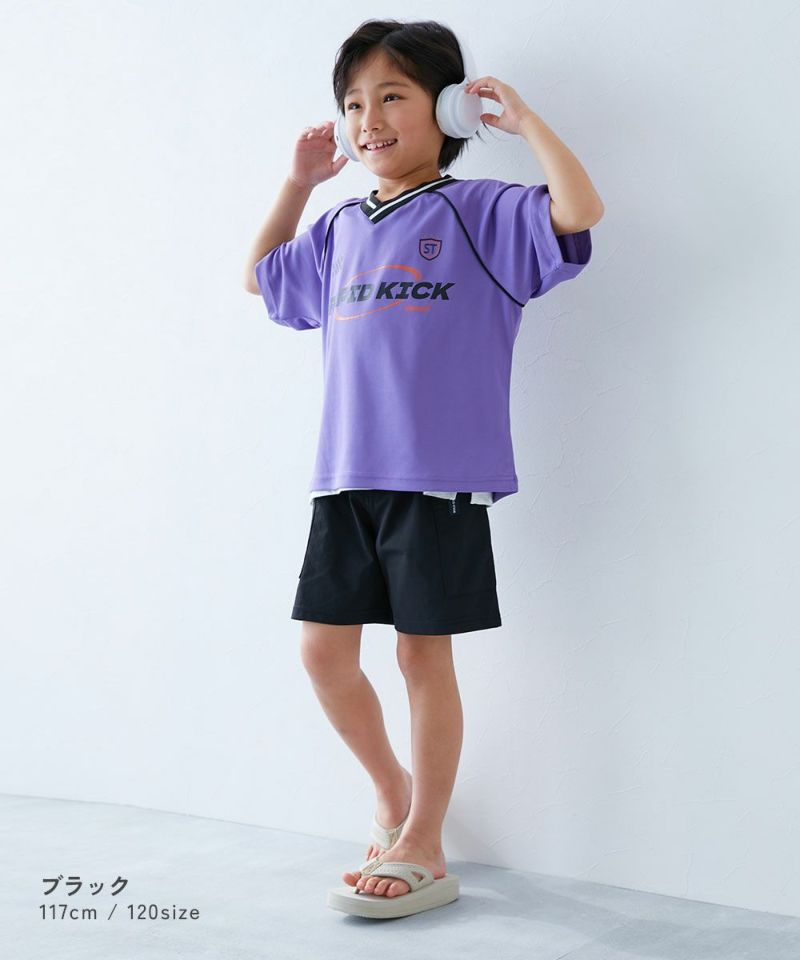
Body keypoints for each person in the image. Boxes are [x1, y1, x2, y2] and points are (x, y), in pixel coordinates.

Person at [242, 18, 603, 917]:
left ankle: (427, 844)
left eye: (392, 96)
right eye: (353, 103)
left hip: (437, 480)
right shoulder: (338, 227)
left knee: (418, 656)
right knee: (322, 652)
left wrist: (523, 123)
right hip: (343, 478)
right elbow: (261, 278)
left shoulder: (480, 212)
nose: (367, 119)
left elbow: (578, 211)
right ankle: (393, 795)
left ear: (445, 111)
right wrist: (297, 185)